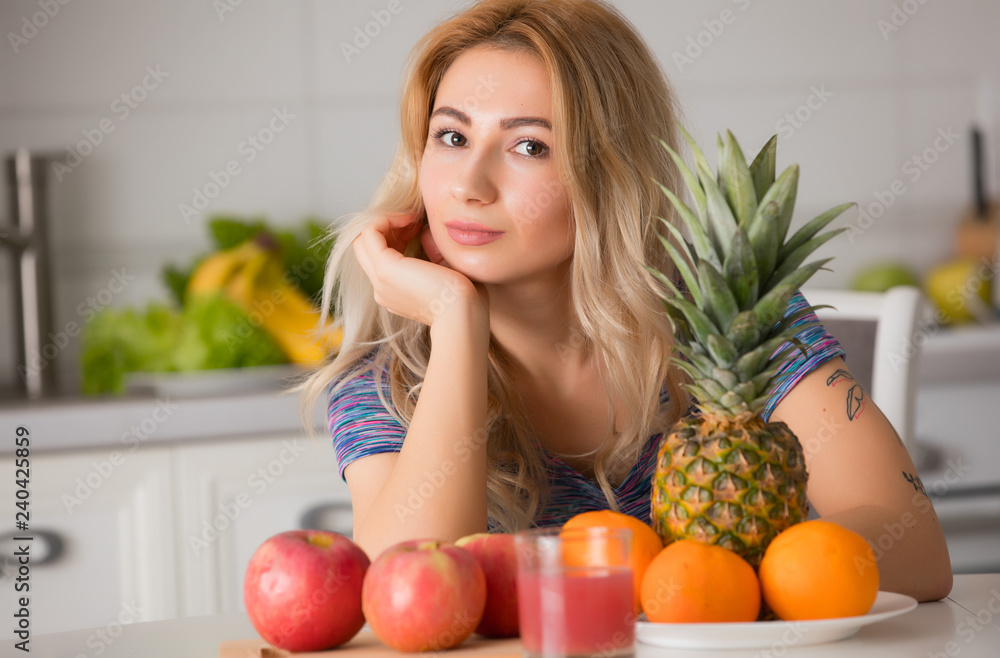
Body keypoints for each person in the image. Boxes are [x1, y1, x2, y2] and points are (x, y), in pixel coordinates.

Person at [297, 0, 952, 601]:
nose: (469, 184)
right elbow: (409, 599)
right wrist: (455, 323)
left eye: (529, 146)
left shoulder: (732, 321)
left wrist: (686, 594)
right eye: (453, 136)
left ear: (609, 170)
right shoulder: (385, 382)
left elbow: (915, 550)